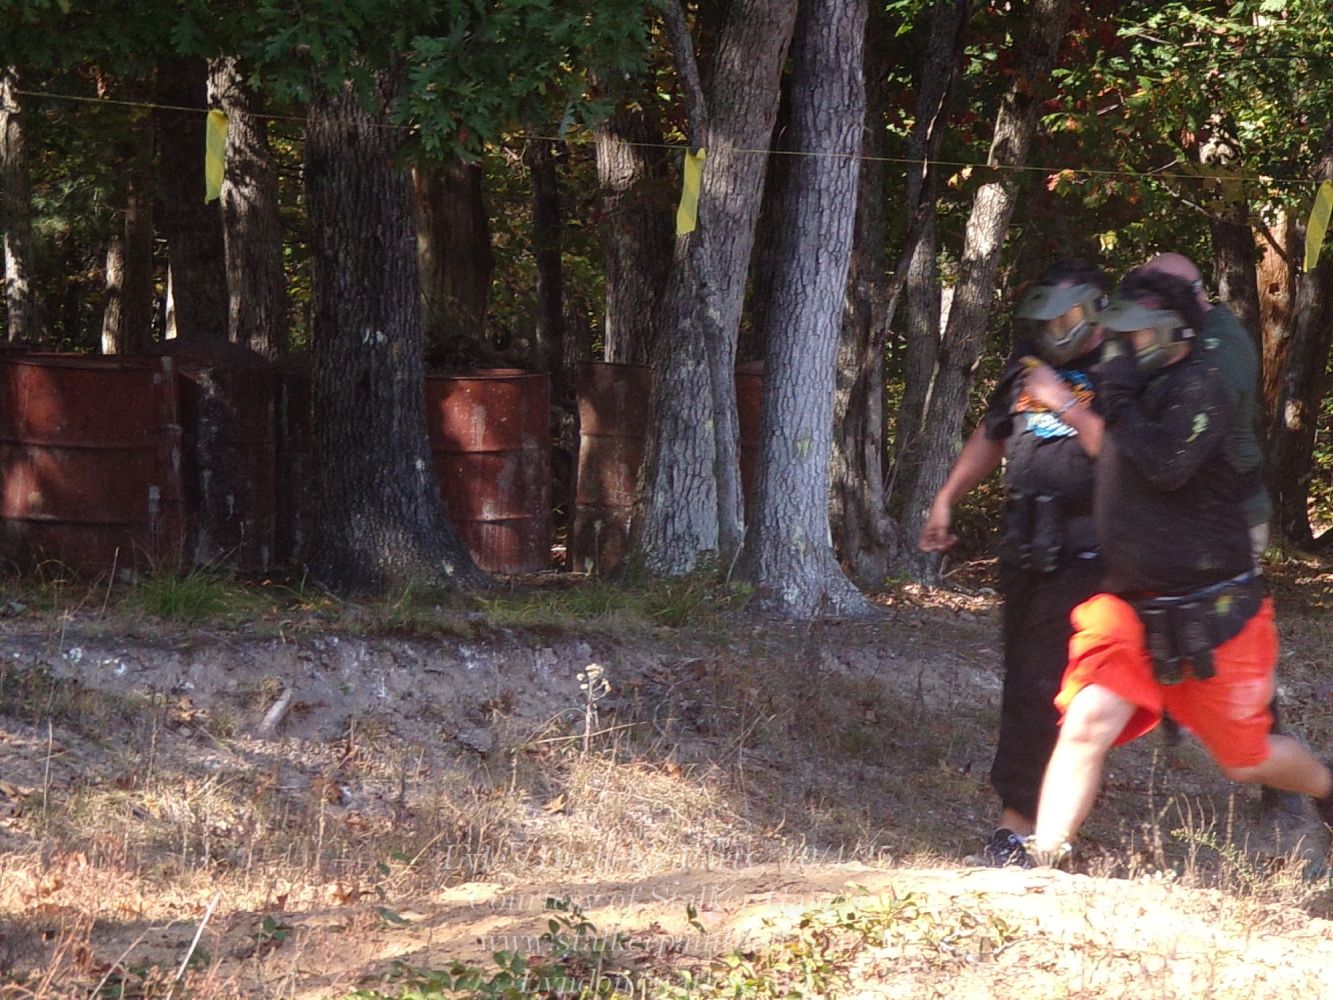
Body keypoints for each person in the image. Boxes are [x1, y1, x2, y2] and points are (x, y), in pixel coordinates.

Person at [1028, 268, 1333, 864]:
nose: (1124, 347)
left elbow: (1166, 463)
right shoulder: (1125, 387)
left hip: (1212, 609)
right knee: (1087, 720)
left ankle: (1327, 786)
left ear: (1175, 334)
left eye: (1137, 335)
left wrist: (1110, 400)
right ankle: (1044, 860)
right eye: (1120, 335)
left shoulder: (1202, 387)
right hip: (1128, 603)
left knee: (1245, 759)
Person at [919, 259, 1109, 867]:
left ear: (1094, 312)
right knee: (1027, 683)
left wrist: (1066, 403)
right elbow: (993, 433)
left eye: (1067, 317)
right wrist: (947, 497)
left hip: (1089, 555)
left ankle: (1027, 829)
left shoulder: (1125, 370)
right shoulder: (1027, 368)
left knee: (1055, 688)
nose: (1056, 330)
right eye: (1047, 319)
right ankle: (1027, 825)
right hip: (1027, 548)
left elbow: (1121, 453)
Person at [1139, 253, 1321, 854]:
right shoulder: (1166, 334)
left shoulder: (1222, 340)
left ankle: (1282, 778)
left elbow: (1200, 408)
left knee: (1234, 637)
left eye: (1159, 292)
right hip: (1181, 514)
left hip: (1232, 516)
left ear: (1190, 294)